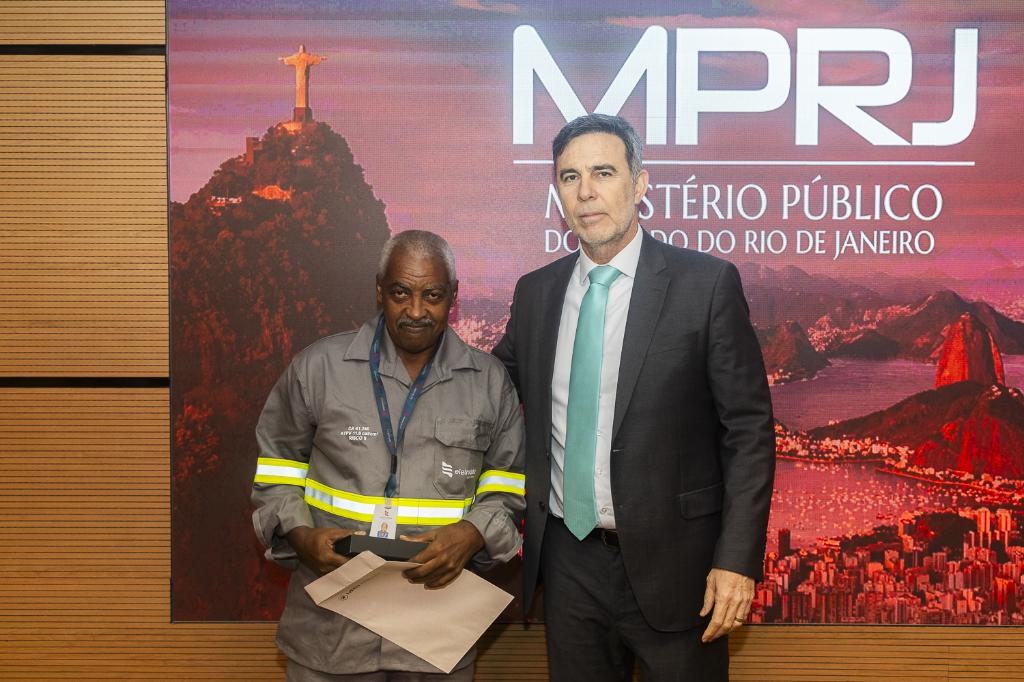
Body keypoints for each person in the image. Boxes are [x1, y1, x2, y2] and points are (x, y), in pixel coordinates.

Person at [493, 114, 775, 681]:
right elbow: (488, 389)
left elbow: (748, 432)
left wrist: (736, 561)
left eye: (603, 172)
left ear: (640, 183)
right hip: (569, 565)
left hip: (681, 567)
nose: (586, 192)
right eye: (570, 177)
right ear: (557, 194)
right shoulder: (536, 293)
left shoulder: (705, 285)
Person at [252, 230, 526, 681]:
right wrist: (300, 535)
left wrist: (473, 533)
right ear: (379, 290)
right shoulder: (317, 369)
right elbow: (276, 470)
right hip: (331, 624)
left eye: (432, 295)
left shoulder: (489, 382)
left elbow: (508, 484)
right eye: (401, 293)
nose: (415, 311)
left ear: (453, 296)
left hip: (436, 627)